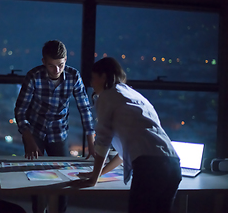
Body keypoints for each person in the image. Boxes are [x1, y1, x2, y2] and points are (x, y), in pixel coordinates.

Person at [74, 57, 182, 213]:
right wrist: (98, 172)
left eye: (93, 78)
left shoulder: (108, 95)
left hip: (149, 167)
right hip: (172, 165)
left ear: (103, 76)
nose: (91, 84)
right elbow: (126, 151)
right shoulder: (135, 96)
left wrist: (94, 178)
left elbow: (103, 140)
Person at [14, 39, 96, 213]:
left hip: (59, 132)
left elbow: (85, 108)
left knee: (64, 179)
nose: (57, 70)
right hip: (34, 130)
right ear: (44, 62)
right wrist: (27, 138)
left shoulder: (73, 76)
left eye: (60, 65)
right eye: (52, 65)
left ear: (66, 60)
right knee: (36, 178)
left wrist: (91, 141)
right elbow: (20, 110)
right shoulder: (33, 76)